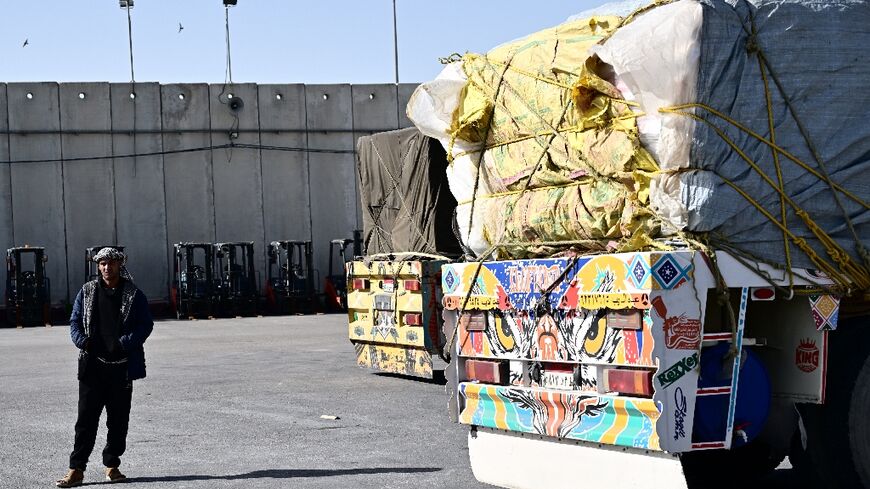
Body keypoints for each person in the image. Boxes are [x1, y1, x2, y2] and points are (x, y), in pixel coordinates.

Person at [56, 247, 154, 487]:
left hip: (121, 368)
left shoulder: (133, 294)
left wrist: (124, 343)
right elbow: (75, 322)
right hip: (92, 367)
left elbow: (145, 325)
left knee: (118, 421)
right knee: (85, 421)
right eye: (102, 264)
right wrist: (84, 342)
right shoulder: (87, 291)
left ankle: (112, 466)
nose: (106, 268)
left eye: (110, 263)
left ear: (120, 265)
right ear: (97, 266)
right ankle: (76, 470)